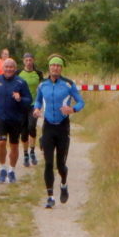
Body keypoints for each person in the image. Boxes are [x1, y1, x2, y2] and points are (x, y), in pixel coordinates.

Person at [32, 53, 84, 208]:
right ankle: (50, 196)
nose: (55, 68)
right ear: (49, 68)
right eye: (53, 65)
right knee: (48, 163)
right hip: (48, 126)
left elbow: (81, 102)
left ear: (61, 68)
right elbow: (38, 100)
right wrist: (36, 109)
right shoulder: (43, 85)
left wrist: (72, 109)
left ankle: (63, 184)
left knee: (60, 164)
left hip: (62, 127)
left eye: (58, 66)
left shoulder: (68, 84)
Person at [0, 57, 32, 184]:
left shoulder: (21, 82)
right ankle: (2, 167)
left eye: (11, 67)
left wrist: (20, 99)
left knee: (14, 146)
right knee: (1, 143)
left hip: (16, 118)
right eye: (6, 67)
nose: (9, 69)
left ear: (15, 68)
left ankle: (11, 170)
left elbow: (28, 100)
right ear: (3, 68)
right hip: (1, 117)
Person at [17, 52, 42, 167]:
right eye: (26, 60)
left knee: (32, 126)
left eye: (30, 60)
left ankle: (32, 152)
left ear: (33, 60)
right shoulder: (18, 73)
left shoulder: (38, 73)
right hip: (22, 105)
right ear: (23, 61)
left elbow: (42, 88)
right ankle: (25, 154)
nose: (28, 62)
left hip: (34, 104)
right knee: (24, 131)